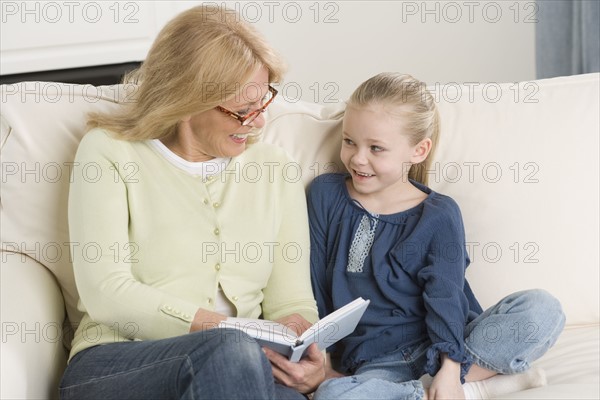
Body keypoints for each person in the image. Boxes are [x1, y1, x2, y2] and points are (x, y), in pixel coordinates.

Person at [60, 5, 326, 399]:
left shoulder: (274, 170)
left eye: (263, 104)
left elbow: (292, 299)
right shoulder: (109, 153)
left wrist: (304, 346)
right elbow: (107, 293)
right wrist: (222, 330)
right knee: (230, 352)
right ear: (187, 100)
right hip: (117, 364)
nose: (257, 123)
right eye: (242, 111)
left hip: (243, 367)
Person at [307, 72, 566, 399]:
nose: (358, 158)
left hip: (454, 348)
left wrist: (450, 368)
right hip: (378, 363)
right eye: (349, 142)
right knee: (333, 395)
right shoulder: (326, 195)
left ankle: (446, 386)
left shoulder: (439, 214)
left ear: (418, 150)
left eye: (376, 148)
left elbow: (446, 295)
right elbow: (314, 284)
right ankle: (471, 390)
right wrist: (324, 363)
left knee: (543, 308)